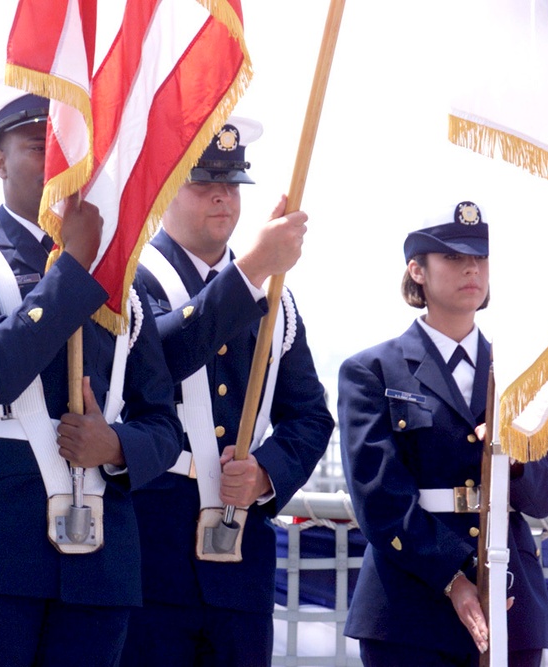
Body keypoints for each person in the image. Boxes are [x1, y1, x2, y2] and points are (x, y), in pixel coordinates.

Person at [0, 82, 183, 666]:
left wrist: (117, 445)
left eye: (70, 150)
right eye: (39, 146)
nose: (59, 164)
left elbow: (162, 422)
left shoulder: (124, 283)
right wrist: (75, 267)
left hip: (100, 558)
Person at [125, 117, 335, 666]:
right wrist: (251, 271)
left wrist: (267, 472)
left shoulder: (277, 299)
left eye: (232, 180)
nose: (222, 194)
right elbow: (158, 359)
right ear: (166, 185)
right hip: (150, 549)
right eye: (202, 181)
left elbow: (310, 415)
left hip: (239, 558)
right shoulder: (131, 279)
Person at [337, 202, 548, 667]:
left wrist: (514, 458)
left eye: (480, 258)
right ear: (416, 271)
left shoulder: (523, 373)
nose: (471, 268)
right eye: (452, 257)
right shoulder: (371, 371)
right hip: (409, 606)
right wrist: (455, 578)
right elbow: (378, 499)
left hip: (511, 602)